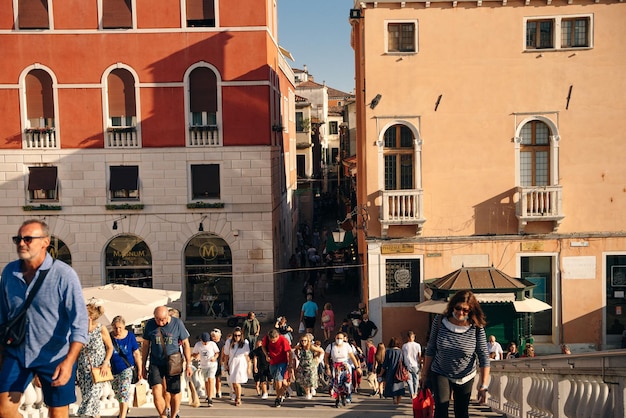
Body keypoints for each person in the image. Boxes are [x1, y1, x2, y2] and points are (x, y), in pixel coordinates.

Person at [0, 219, 89, 418]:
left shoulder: (64, 275)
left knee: (57, 413)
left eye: (28, 239)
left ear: (45, 242)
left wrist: (68, 361)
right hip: (17, 353)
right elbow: (2, 316)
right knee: (4, 410)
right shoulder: (9, 272)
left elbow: (80, 322)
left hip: (55, 355)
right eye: (18, 239)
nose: (21, 244)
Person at [420, 290, 491, 418]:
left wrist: (483, 385)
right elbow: (431, 348)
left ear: (471, 311)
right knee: (441, 408)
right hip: (441, 371)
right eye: (458, 308)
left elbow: (483, 355)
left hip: (465, 375)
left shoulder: (476, 327)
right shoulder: (440, 320)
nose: (460, 313)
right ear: (453, 306)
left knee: (461, 412)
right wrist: (424, 374)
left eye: (465, 310)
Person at [142, 306, 193, 418]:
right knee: (156, 390)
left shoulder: (177, 323)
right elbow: (145, 345)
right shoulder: (150, 324)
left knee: (174, 392)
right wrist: (142, 366)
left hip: (173, 362)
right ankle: (163, 415)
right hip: (155, 362)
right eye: (157, 319)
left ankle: (174, 415)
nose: (160, 322)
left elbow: (186, 344)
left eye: (162, 319)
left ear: (168, 316)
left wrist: (188, 364)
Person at [76, 302, 114, 418]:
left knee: (92, 395)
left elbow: (110, 347)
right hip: (83, 368)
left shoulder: (100, 328)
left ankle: (83, 414)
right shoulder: (79, 330)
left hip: (99, 368)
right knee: (88, 396)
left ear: (90, 317)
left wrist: (105, 363)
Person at [110, 315, 142, 418]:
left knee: (124, 392)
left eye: (120, 327)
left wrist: (140, 369)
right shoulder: (109, 337)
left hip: (127, 368)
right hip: (113, 369)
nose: (118, 330)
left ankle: (122, 416)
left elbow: (136, 353)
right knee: (117, 393)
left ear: (124, 326)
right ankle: (125, 408)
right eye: (115, 328)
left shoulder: (130, 336)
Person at [324, 332, 360, 408]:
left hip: (345, 366)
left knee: (346, 384)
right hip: (336, 366)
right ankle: (337, 400)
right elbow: (326, 357)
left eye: (340, 338)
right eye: (337, 338)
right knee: (336, 384)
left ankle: (344, 397)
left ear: (343, 339)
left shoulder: (347, 346)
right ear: (335, 338)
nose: (339, 340)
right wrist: (327, 368)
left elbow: (353, 357)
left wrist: (357, 368)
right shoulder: (331, 346)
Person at [262, 328, 293, 407]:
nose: (272, 342)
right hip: (273, 361)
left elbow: (290, 352)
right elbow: (263, 346)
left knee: (278, 380)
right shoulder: (266, 338)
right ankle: (283, 393)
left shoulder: (283, 340)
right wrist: (266, 355)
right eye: (271, 340)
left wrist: (290, 364)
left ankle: (277, 398)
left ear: (277, 337)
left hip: (282, 362)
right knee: (277, 380)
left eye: (274, 340)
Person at [222, 327, 250, 406]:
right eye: (235, 335)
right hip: (232, 362)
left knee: (237, 382)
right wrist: (225, 364)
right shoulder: (229, 342)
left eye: (238, 335)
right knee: (233, 382)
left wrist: (249, 367)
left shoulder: (245, 343)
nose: (237, 337)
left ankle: (238, 398)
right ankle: (235, 394)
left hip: (241, 362)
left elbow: (247, 356)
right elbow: (226, 354)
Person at [191, 332, 220, 407]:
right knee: (206, 381)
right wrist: (195, 356)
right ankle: (208, 395)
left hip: (212, 365)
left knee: (210, 379)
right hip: (204, 365)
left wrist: (214, 358)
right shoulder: (198, 345)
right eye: (204, 341)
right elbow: (194, 353)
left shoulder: (212, 344)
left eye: (207, 341)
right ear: (201, 340)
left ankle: (210, 398)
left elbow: (217, 352)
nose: (205, 343)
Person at [293, 333, 324, 400]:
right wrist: (298, 356)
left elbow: (321, 351)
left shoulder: (311, 347)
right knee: (303, 380)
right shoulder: (300, 347)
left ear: (308, 341)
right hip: (302, 365)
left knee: (310, 379)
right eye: (302, 341)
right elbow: (294, 350)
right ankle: (307, 393)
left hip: (310, 366)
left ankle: (312, 388)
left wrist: (317, 358)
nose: (303, 342)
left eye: (305, 340)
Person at [378, 337, 405, 405]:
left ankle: (394, 398)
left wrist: (381, 373)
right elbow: (404, 361)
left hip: (390, 371)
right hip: (399, 371)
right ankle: (398, 400)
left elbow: (385, 364)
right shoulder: (401, 351)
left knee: (392, 385)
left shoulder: (388, 351)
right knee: (400, 385)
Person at [402, 330, 422, 399]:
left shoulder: (404, 346)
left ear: (408, 337)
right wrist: (420, 362)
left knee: (409, 380)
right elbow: (419, 356)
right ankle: (415, 393)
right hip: (416, 364)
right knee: (416, 380)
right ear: (413, 337)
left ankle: (412, 393)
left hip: (407, 364)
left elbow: (403, 356)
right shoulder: (418, 345)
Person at [210, 328, 224, 398]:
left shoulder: (222, 343)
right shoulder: (210, 342)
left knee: (218, 378)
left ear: (219, 336)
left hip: (219, 362)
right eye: (212, 336)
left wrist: (223, 362)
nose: (213, 338)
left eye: (214, 336)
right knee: (210, 378)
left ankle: (218, 391)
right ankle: (211, 392)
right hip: (211, 363)